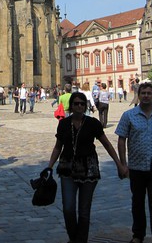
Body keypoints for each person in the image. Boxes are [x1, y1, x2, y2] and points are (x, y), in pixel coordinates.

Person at [47, 90, 123, 243]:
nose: (79, 106)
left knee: (84, 210)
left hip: (89, 169)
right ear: (71, 106)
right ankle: (74, 238)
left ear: (85, 106)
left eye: (82, 103)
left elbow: (107, 144)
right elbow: (57, 147)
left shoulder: (93, 123)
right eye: (76, 104)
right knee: (68, 208)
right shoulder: (63, 124)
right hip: (67, 168)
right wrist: (49, 167)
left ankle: (80, 240)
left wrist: (119, 164)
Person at [116, 82, 152, 243]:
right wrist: (123, 164)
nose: (146, 96)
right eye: (143, 93)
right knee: (137, 203)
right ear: (138, 96)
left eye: (149, 93)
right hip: (136, 167)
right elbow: (121, 139)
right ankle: (138, 235)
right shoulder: (129, 115)